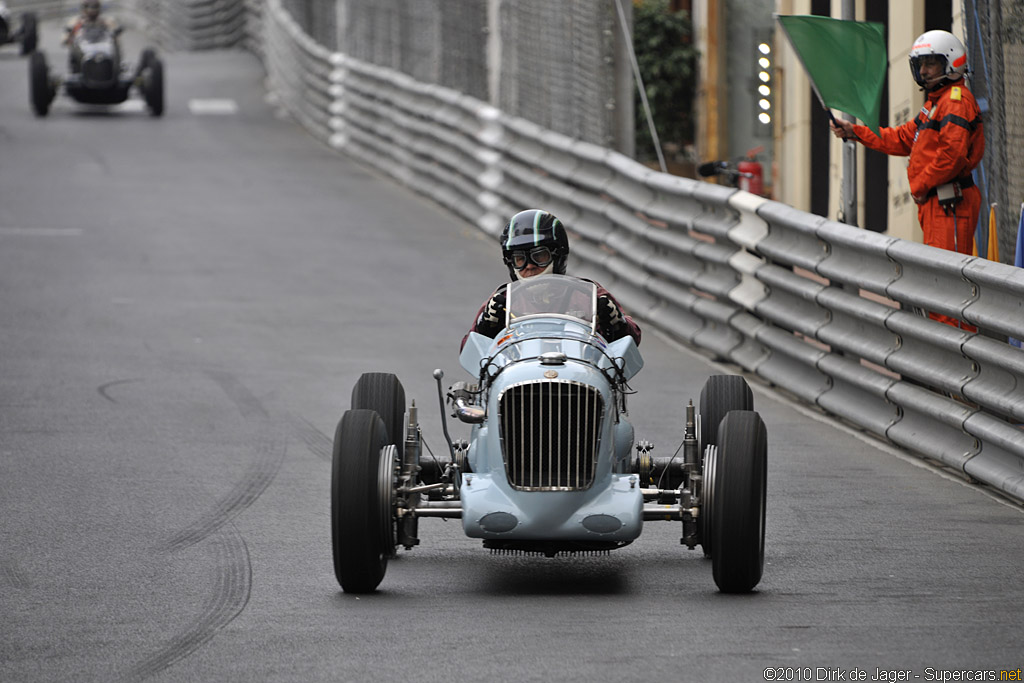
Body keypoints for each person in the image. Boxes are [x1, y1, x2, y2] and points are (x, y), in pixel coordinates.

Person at [830, 30, 984, 330]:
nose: (924, 70)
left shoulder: (954, 101)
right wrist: (856, 131)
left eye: (931, 63)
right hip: (940, 204)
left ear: (951, 63)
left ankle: (956, 364)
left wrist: (920, 184)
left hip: (950, 204)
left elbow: (951, 157)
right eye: (921, 64)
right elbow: (903, 138)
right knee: (941, 288)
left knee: (948, 290)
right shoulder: (936, 103)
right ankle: (948, 360)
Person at [462, 209, 641, 350]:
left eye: (539, 256)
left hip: (578, 378)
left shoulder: (588, 294)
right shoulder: (503, 300)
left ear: (558, 257)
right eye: (520, 259)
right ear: (511, 263)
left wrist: (618, 324)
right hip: (519, 382)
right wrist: (485, 327)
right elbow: (468, 349)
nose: (529, 266)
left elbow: (633, 340)